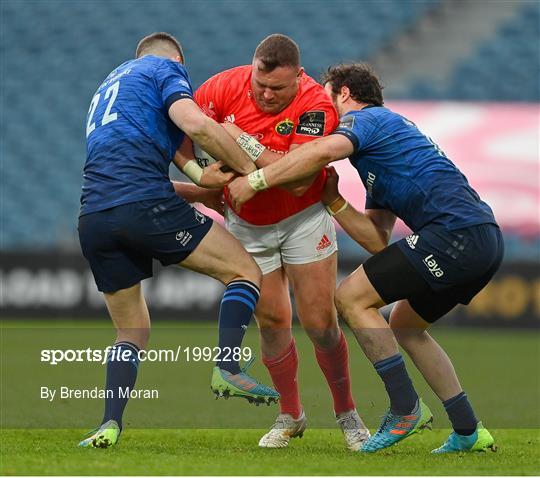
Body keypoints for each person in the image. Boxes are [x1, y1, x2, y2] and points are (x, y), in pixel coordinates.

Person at [228, 63, 503, 454]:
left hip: (455, 235)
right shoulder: (380, 154)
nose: (320, 108)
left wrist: (255, 180)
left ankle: (405, 408)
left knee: (351, 298)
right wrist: (334, 201)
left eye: (325, 96)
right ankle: (468, 431)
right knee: (405, 324)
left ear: (343, 94)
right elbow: (376, 238)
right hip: (481, 238)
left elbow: (320, 150)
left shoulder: (368, 120)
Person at [77, 32, 278, 448]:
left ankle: (109, 424)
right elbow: (196, 124)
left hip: (94, 215)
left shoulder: (106, 91)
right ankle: (227, 366)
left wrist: (204, 187)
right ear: (178, 59)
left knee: (131, 332)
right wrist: (254, 175)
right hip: (144, 205)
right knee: (244, 271)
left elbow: (132, 178)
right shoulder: (165, 69)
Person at [189, 34, 370, 449]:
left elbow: (300, 177)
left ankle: (347, 413)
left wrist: (240, 141)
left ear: (299, 78)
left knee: (321, 323)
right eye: (260, 85)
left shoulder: (315, 104)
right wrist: (197, 172)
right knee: (271, 322)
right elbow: (182, 130)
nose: (267, 95)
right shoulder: (219, 88)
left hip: (301, 217)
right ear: (251, 69)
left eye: (278, 88)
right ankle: (290, 414)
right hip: (248, 224)